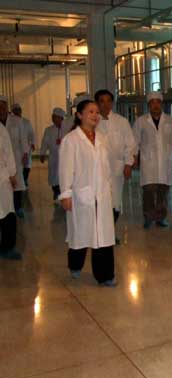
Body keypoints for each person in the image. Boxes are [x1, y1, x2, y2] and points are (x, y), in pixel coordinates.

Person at [58, 99, 117, 286]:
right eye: (90, 111)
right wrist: (66, 194)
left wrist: (109, 188)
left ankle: (105, 275)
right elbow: (66, 169)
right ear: (79, 115)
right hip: (81, 195)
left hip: (102, 194)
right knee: (81, 234)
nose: (95, 115)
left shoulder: (102, 138)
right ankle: (75, 265)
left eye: (97, 112)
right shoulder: (71, 140)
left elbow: (106, 168)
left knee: (103, 236)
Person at [133, 92, 172, 229]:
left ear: (161, 104)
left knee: (163, 191)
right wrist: (134, 157)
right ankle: (148, 217)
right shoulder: (141, 121)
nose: (155, 105)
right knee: (149, 191)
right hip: (148, 162)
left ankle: (160, 218)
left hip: (165, 162)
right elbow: (135, 140)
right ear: (149, 105)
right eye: (152, 103)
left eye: (158, 102)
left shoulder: (170, 121)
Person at [95, 89, 137, 242]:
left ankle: (110, 233)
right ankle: (101, 235)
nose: (105, 104)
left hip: (117, 170)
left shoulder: (121, 121)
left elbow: (130, 145)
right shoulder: (93, 122)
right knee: (101, 203)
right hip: (98, 171)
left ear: (112, 103)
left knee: (115, 203)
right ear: (97, 103)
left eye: (108, 101)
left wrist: (128, 164)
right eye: (102, 101)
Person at [0, 96, 28, 218]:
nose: (1, 109)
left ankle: (18, 207)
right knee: (4, 185)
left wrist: (25, 153)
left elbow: (23, 138)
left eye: (3, 106)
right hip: (2, 158)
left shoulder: (16, 120)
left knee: (18, 183)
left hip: (16, 156)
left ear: (7, 107)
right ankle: (5, 209)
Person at [0, 122, 21, 260]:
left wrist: (12, 174)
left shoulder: (1, 129)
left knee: (7, 213)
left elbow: (8, 152)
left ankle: (8, 248)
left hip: (2, 178)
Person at [40, 108, 67, 201]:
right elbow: (44, 142)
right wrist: (42, 153)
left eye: (55, 117)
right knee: (53, 176)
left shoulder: (67, 129)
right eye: (53, 117)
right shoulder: (49, 130)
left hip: (65, 158)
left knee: (63, 176)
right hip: (54, 157)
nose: (53, 118)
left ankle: (62, 193)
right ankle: (56, 191)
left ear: (61, 118)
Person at [11, 103, 35, 187]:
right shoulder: (10, 123)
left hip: (26, 147)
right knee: (18, 166)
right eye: (15, 110)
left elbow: (31, 133)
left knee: (27, 165)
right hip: (16, 148)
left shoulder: (26, 122)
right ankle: (20, 181)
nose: (17, 112)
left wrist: (33, 143)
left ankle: (24, 179)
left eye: (18, 110)